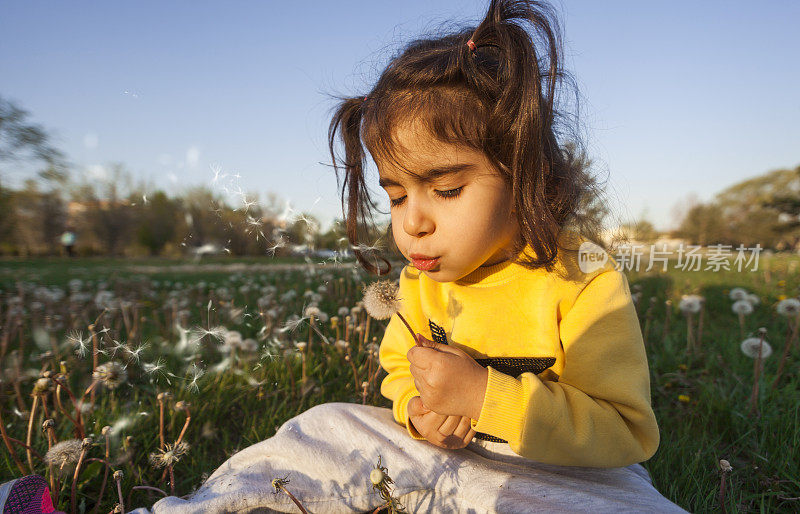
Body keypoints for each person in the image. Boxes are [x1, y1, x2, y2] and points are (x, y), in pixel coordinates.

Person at [128, 0, 687, 512]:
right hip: (434, 456)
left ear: (528, 178)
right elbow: (399, 370)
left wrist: (483, 397)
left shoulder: (580, 279)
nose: (412, 222)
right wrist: (417, 414)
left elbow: (626, 429)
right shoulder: (421, 281)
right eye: (395, 195)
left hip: (562, 476)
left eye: (445, 190)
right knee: (324, 425)